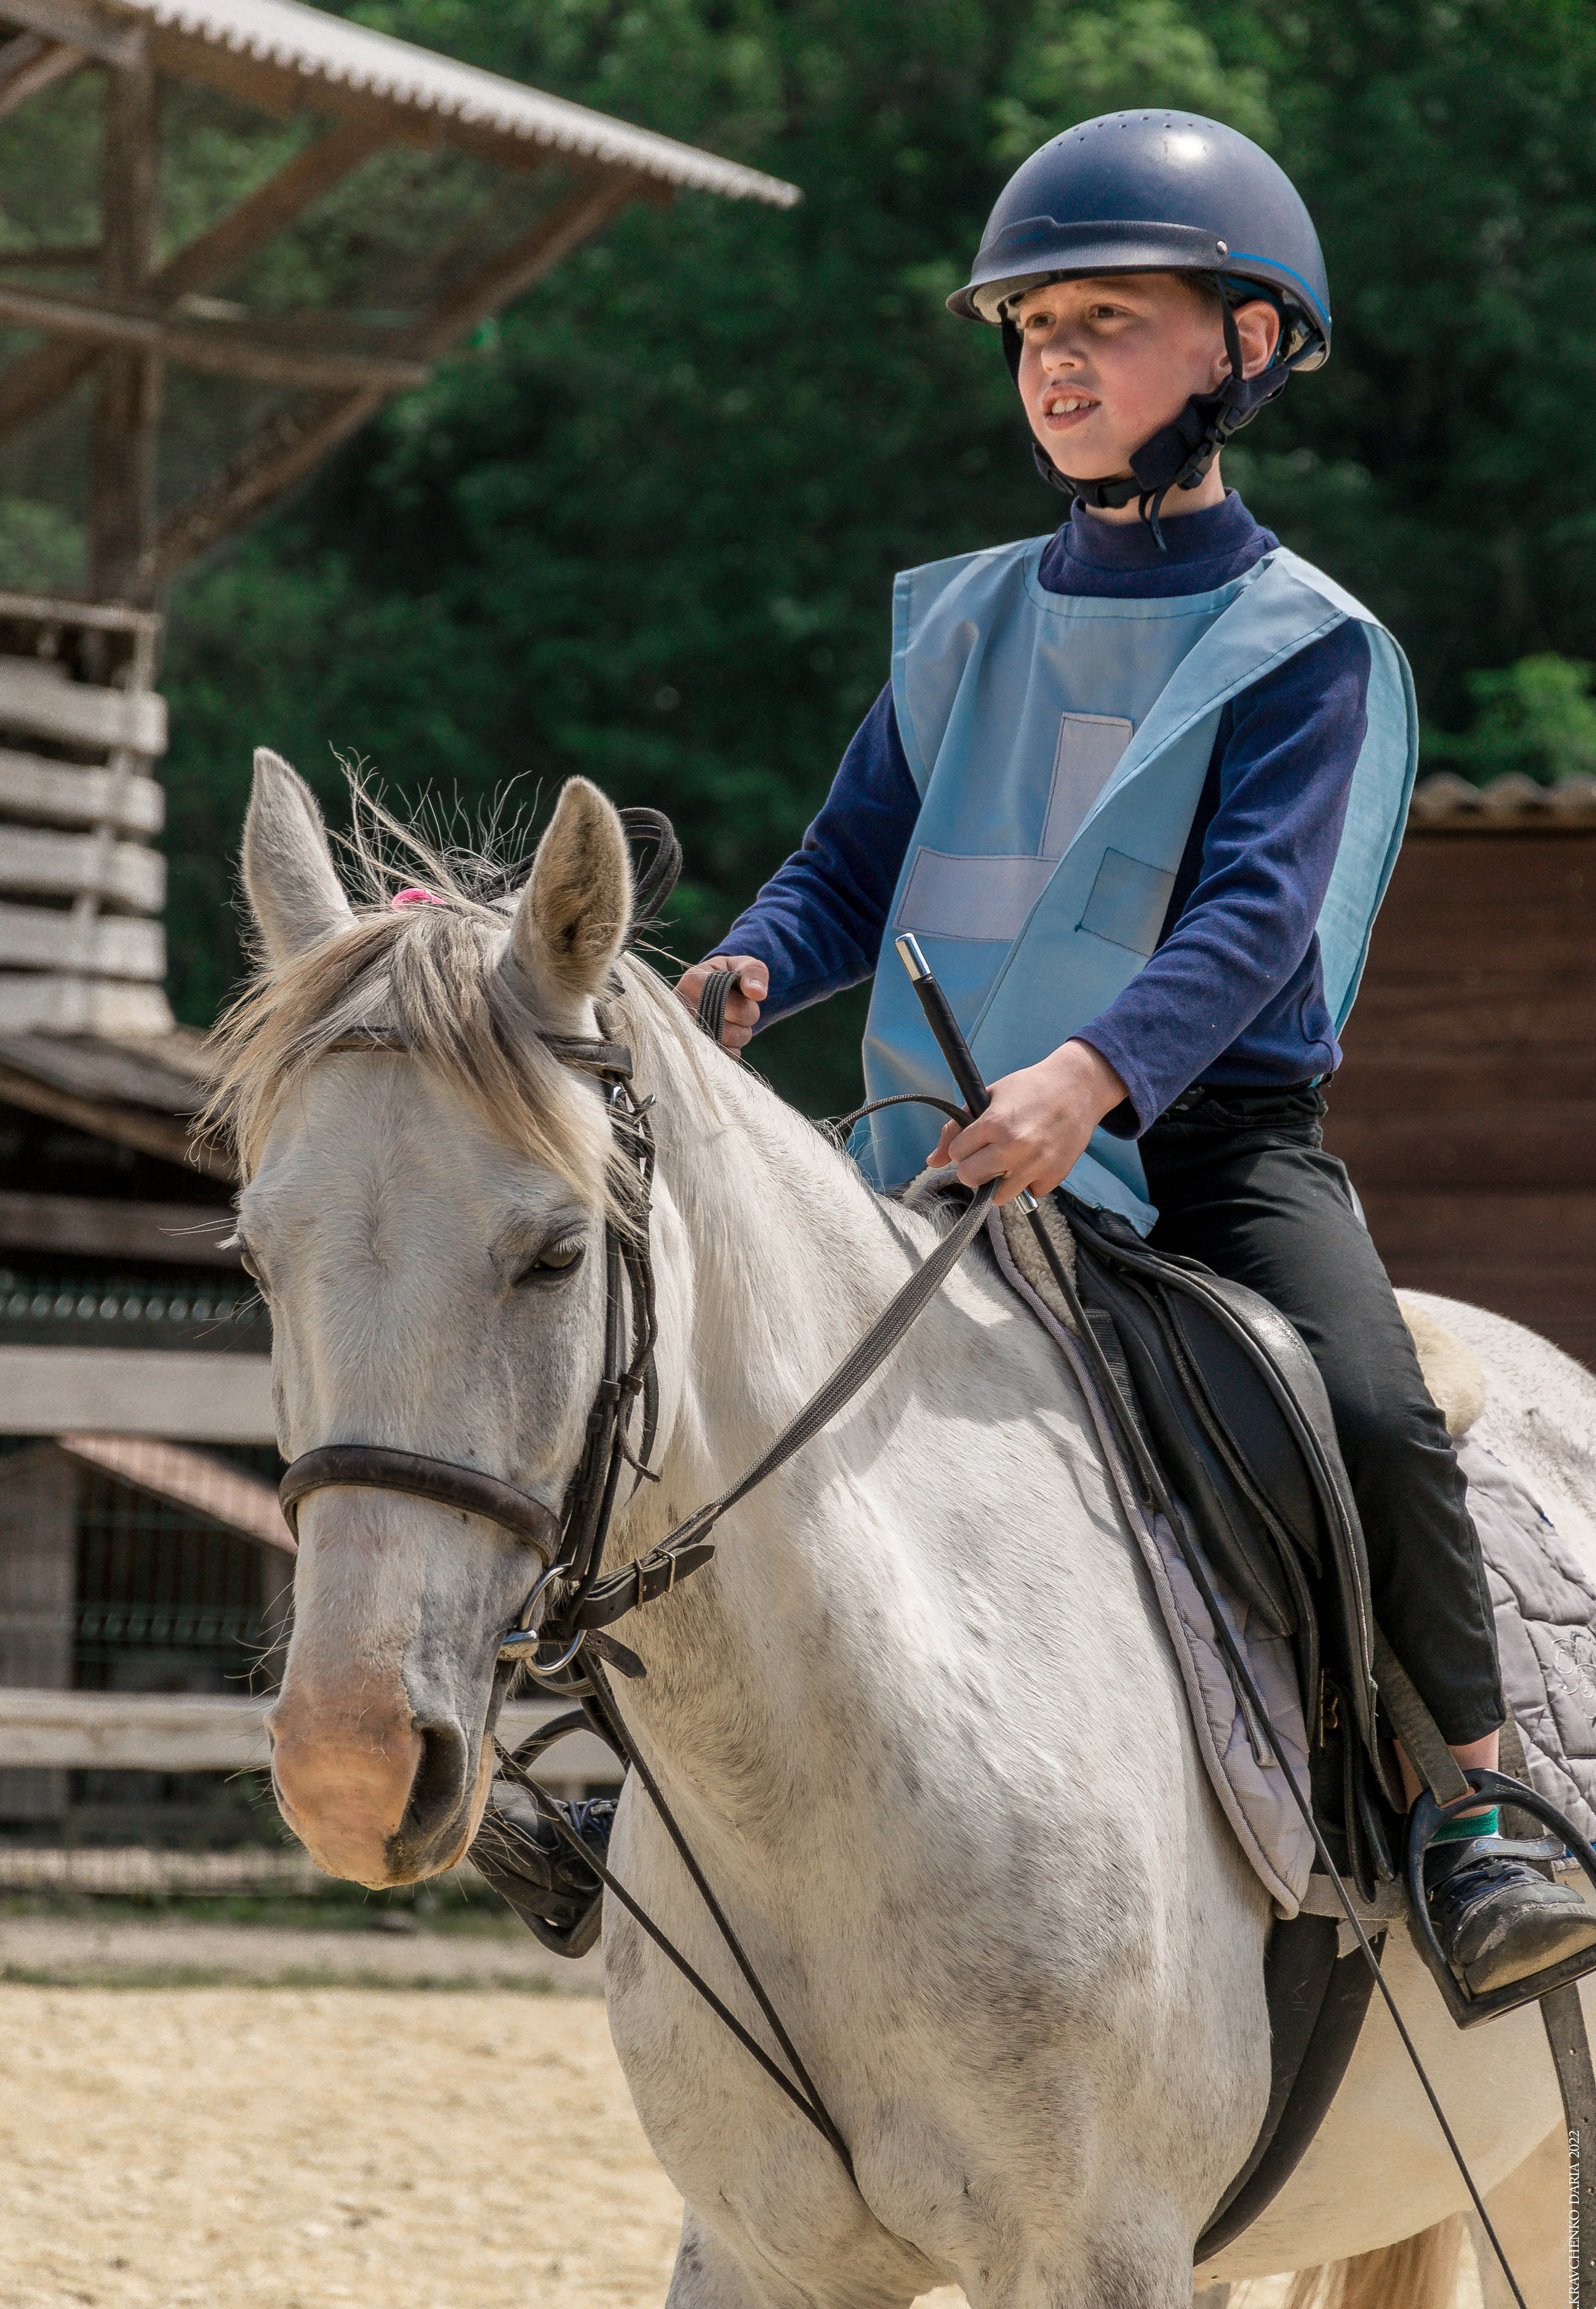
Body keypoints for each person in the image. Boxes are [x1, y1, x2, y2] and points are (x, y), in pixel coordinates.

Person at [501, 113, 1596, 1998]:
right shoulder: (966, 617)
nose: (1060, 361)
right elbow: (852, 859)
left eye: (1109, 318)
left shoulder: (1309, 649)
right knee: (688, 1381)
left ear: (1245, 350)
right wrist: (759, 961)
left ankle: (1478, 1817)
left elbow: (1256, 922)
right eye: (1030, 329)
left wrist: (1093, 1076)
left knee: (1370, 1407)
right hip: (937, 1146)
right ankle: (634, 1790)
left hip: (1202, 1151)